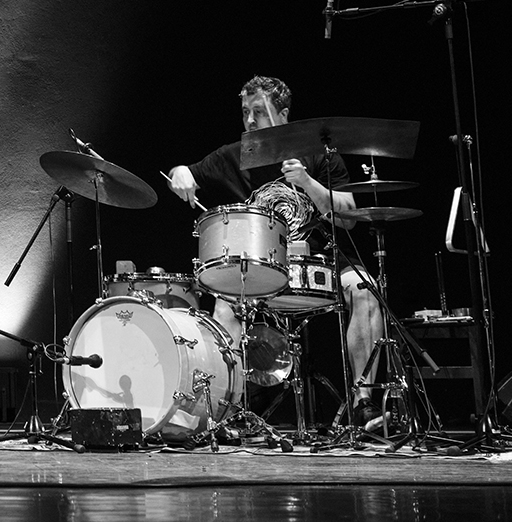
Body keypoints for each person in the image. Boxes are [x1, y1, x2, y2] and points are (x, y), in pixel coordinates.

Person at [165, 75, 387, 432]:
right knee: (224, 302)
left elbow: (348, 217)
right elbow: (183, 172)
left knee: (365, 290)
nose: (250, 121)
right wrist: (181, 176)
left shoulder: (317, 152)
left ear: (282, 114)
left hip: (322, 258)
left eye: (258, 111)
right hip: (263, 264)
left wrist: (308, 183)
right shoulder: (234, 156)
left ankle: (364, 403)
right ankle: (231, 408)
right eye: (244, 112)